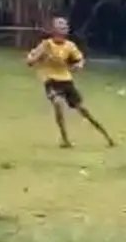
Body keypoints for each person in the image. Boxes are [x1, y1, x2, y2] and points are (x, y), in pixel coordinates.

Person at [26, 17, 115, 149]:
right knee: (57, 104)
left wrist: (78, 66)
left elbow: (80, 60)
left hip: (66, 81)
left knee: (83, 110)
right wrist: (32, 58)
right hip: (51, 81)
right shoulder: (46, 45)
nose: (62, 28)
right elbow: (31, 60)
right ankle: (65, 139)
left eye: (64, 26)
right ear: (53, 29)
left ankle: (107, 136)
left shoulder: (70, 46)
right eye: (59, 26)